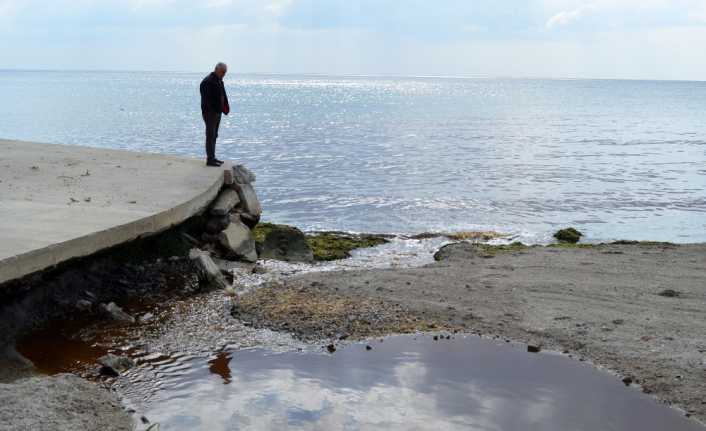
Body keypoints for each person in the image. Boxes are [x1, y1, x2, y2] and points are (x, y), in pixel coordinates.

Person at [200, 62, 230, 167]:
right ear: (216, 69)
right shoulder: (207, 81)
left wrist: (225, 106)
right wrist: (211, 111)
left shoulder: (219, 80)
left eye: (225, 72)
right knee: (210, 135)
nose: (224, 74)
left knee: (214, 135)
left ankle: (213, 157)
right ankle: (210, 160)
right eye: (222, 72)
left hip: (217, 112)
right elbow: (206, 100)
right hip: (210, 113)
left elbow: (223, 94)